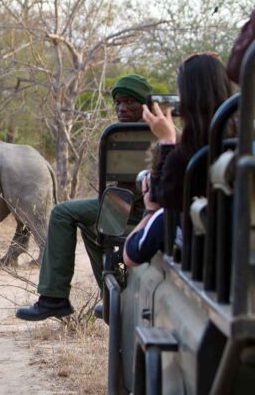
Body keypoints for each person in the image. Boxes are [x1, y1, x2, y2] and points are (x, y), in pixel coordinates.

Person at [16, 74, 152, 321]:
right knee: (91, 223)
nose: (123, 108)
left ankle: (54, 298)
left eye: (131, 102)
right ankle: (110, 296)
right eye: (118, 103)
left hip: (141, 213)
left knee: (62, 212)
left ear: (147, 104)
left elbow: (127, 191)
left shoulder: (138, 134)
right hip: (131, 208)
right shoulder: (131, 132)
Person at [124, 53, 233, 266]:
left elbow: (165, 198)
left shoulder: (189, 157)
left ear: (187, 101)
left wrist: (167, 141)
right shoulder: (239, 141)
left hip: (204, 268)